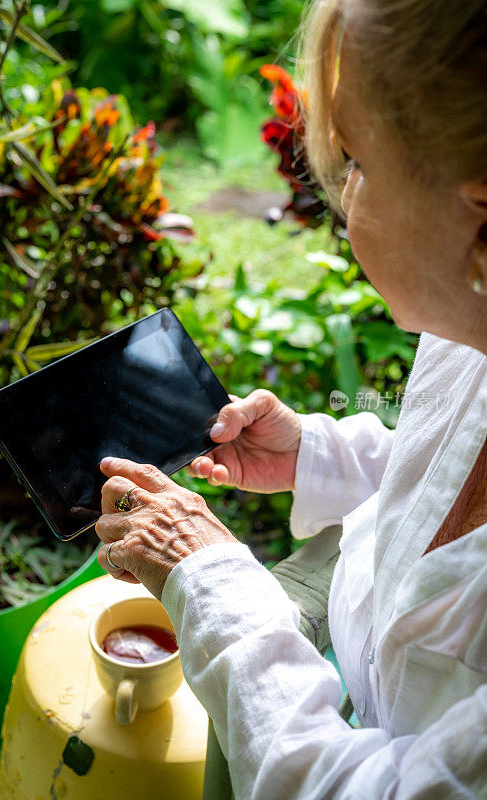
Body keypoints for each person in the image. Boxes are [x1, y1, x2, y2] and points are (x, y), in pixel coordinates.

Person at [94, 0, 487, 796]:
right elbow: (443, 472)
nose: (341, 199)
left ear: (476, 214)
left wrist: (205, 574)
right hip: (349, 620)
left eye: (357, 161)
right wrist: (318, 451)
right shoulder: (467, 328)